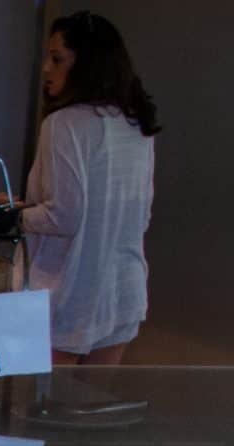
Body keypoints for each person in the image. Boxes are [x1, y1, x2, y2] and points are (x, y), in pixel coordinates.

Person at [19, 12, 158, 366]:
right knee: (93, 399)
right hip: (122, 288)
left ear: (87, 62)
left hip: (70, 289)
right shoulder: (135, 123)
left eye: (57, 58)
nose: (46, 69)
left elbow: (64, 215)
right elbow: (141, 215)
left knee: (46, 399)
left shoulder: (63, 124)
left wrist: (12, 216)